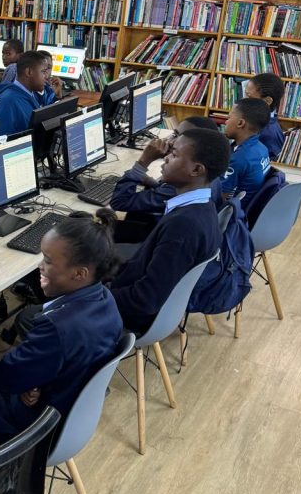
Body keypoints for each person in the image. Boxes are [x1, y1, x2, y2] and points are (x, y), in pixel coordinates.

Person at [0, 212, 123, 447]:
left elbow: (6, 377)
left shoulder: (58, 327)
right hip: (67, 407)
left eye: (48, 260)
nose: (40, 266)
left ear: (79, 273)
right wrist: (36, 382)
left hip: (39, 425)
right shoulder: (105, 298)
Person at [109, 128, 230, 336]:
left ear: (196, 170)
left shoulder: (183, 226)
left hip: (129, 317)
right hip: (137, 296)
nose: (165, 159)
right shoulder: (203, 205)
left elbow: (144, 300)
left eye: (173, 155)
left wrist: (97, 295)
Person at [110, 115, 223, 220]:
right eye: (175, 135)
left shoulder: (173, 190)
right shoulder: (209, 174)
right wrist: (152, 182)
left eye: (181, 138)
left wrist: (144, 161)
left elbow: (119, 202)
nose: (171, 142)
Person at [0, 50, 55, 136]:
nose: (47, 76)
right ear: (29, 72)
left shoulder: (28, 93)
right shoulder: (9, 101)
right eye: (43, 72)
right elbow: (1, 143)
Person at [222, 97, 271, 206]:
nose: (226, 122)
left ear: (240, 123)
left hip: (232, 213)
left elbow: (220, 197)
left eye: (228, 118)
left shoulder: (240, 158)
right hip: (248, 207)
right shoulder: (262, 148)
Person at [245, 73, 285, 160]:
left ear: (267, 101)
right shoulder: (257, 122)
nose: (244, 101)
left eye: (249, 96)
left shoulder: (269, 133)